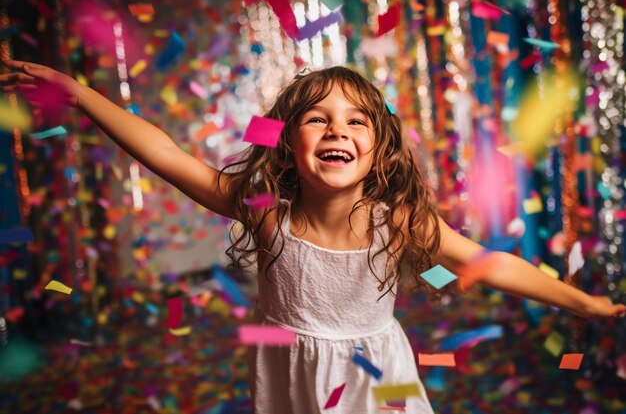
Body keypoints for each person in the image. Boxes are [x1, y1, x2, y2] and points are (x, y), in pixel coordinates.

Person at [2, 59, 624, 414]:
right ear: (287, 140)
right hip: (289, 369)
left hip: (377, 375)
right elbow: (163, 152)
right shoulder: (264, 210)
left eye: (356, 120)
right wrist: (79, 95)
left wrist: (587, 303)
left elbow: (496, 266)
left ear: (377, 148)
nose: (338, 129)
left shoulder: (399, 221)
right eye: (317, 118)